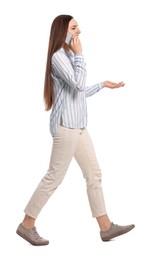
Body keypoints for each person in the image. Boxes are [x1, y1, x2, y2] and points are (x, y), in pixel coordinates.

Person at [16, 14, 135, 246]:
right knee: (54, 177)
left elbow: (78, 93)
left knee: (94, 173)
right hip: (66, 126)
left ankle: (105, 227)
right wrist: (80, 55)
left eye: (78, 26)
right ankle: (26, 225)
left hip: (78, 125)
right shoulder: (59, 57)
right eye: (74, 27)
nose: (79, 31)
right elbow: (78, 83)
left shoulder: (69, 56)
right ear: (63, 31)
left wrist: (102, 85)